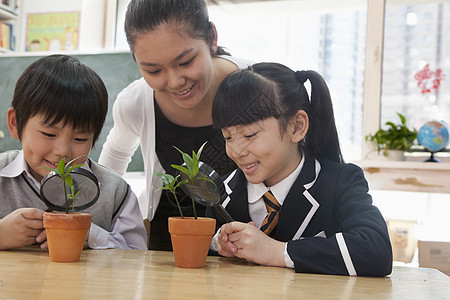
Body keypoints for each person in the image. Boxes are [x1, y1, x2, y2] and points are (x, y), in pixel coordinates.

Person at [207, 63, 393, 276]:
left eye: (249, 135)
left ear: (297, 126)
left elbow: (376, 252)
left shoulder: (340, 183)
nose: (236, 151)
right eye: (227, 137)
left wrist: (277, 251)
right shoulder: (220, 191)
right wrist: (218, 242)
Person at [98, 0, 252, 250]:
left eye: (186, 62)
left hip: (247, 244)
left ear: (212, 38)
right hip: (169, 247)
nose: (175, 81)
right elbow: (111, 165)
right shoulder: (135, 103)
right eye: (153, 70)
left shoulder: (261, 89)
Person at [0, 55, 147, 251]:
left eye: (80, 139)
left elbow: (138, 260)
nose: (62, 151)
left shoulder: (115, 192)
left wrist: (91, 235)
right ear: (15, 123)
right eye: (49, 134)